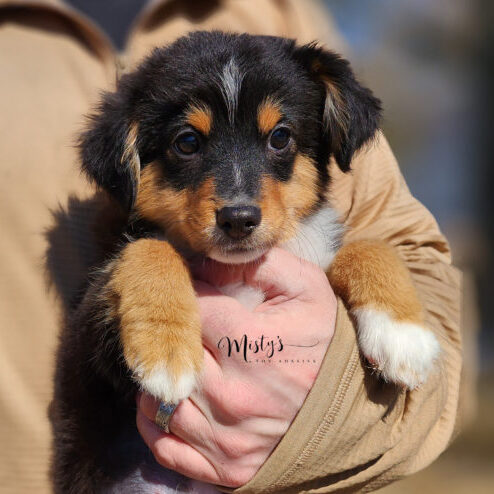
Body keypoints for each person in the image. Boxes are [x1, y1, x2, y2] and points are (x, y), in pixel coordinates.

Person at [0, 0, 462, 493]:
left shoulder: (275, 12)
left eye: (280, 139)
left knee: (366, 257)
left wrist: (333, 408)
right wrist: (150, 281)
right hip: (112, 472)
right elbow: (99, 354)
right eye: (188, 144)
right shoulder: (147, 260)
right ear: (131, 162)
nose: (238, 202)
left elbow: (414, 252)